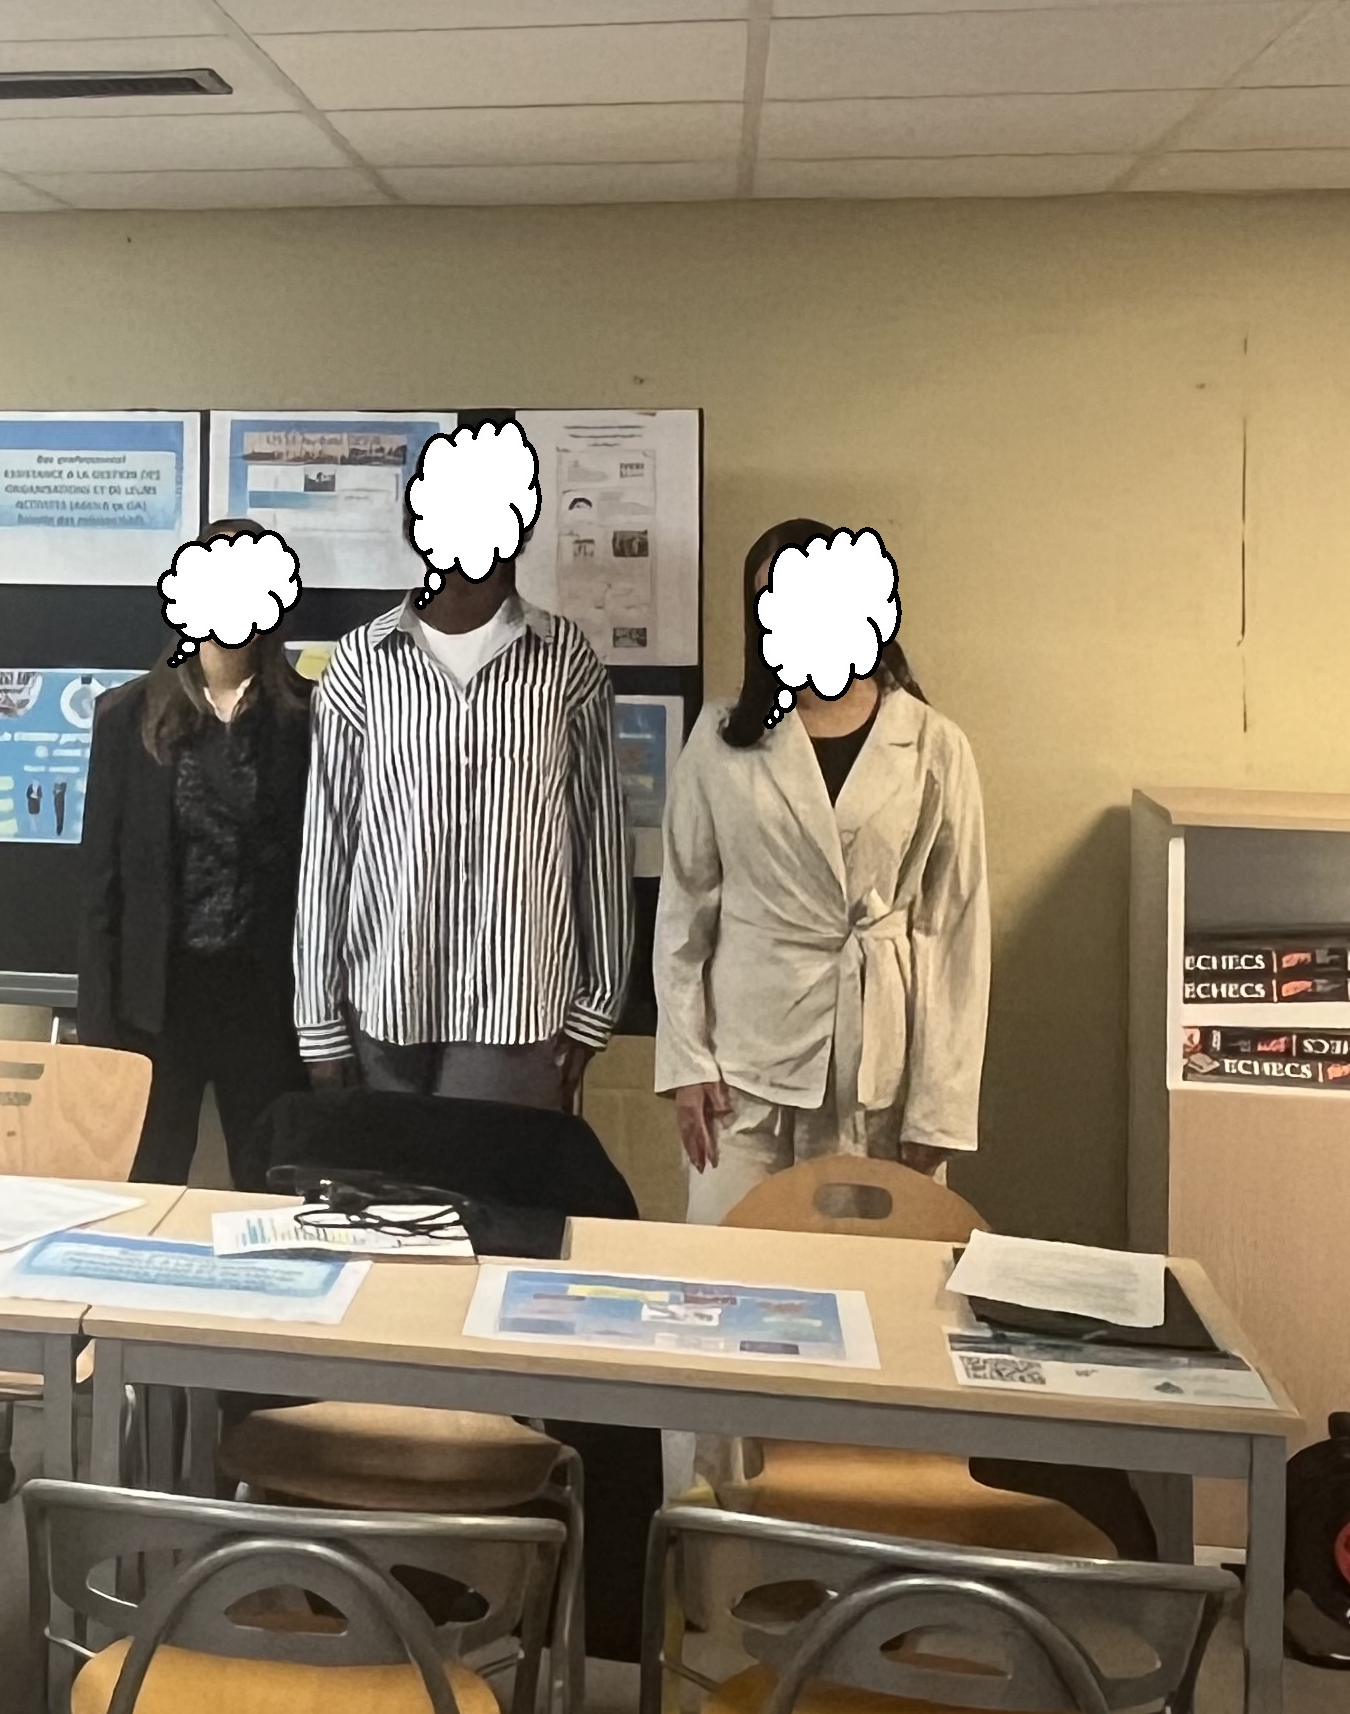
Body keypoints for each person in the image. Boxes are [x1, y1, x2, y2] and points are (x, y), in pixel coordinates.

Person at [655, 518, 992, 1218]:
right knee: (732, 1265)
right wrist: (687, 1063)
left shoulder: (933, 744)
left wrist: (940, 1109)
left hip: (882, 1075)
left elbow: (954, 933)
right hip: (743, 1072)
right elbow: (684, 910)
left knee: (870, 1273)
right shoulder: (721, 740)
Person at [293, 416, 630, 1106]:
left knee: (498, 1180)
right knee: (388, 1181)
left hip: (521, 1010)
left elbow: (600, 838)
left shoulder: (566, 661)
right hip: (386, 1002)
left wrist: (598, 1005)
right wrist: (317, 1021)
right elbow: (327, 848)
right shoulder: (362, 663)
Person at [76, 519, 319, 1182]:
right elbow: (100, 885)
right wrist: (96, 1027)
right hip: (156, 1006)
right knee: (147, 1187)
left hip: (267, 1006)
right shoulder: (127, 716)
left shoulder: (308, 717)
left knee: (273, 1191)